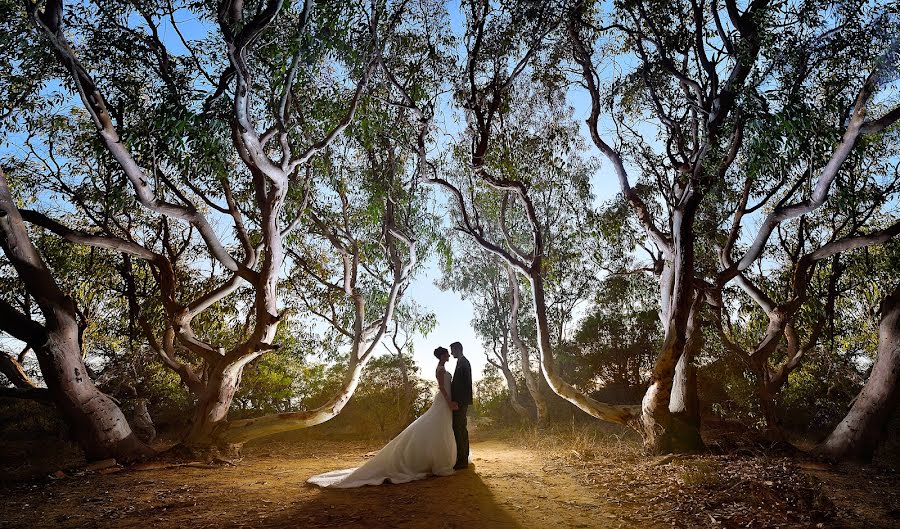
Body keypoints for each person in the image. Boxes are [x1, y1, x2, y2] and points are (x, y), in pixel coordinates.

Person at [306, 347, 457, 488]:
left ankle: (437, 459)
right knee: (438, 427)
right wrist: (449, 402)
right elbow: (442, 388)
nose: (449, 356)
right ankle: (436, 461)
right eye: (447, 354)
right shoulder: (441, 370)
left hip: (445, 402)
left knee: (440, 428)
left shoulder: (443, 368)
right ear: (442, 356)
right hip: (443, 401)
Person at [450, 341, 472, 470]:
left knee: (458, 428)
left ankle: (462, 459)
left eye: (452, 350)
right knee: (461, 428)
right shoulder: (461, 362)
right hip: (461, 401)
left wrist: (457, 402)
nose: (451, 352)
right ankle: (464, 456)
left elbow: (463, 385)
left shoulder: (464, 363)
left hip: (460, 402)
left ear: (458, 349)